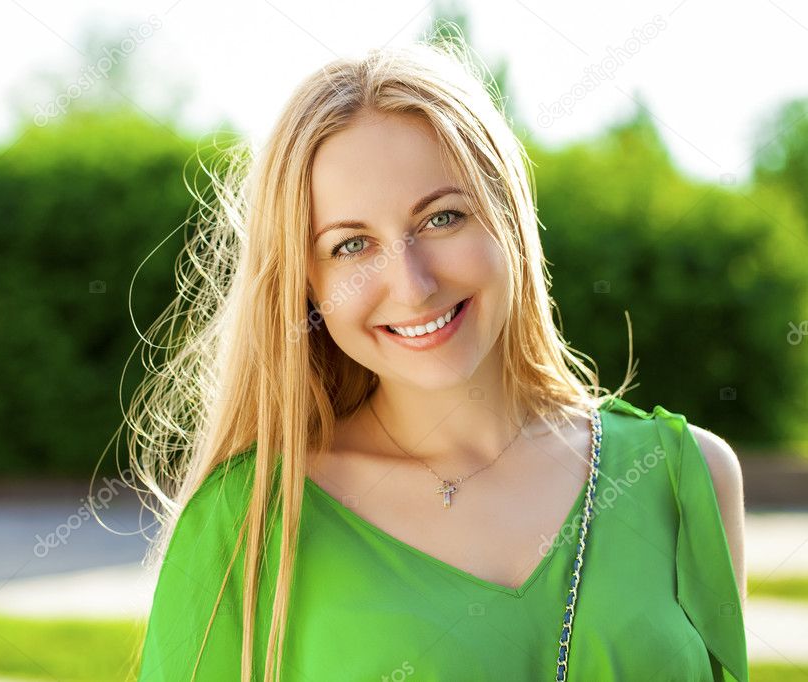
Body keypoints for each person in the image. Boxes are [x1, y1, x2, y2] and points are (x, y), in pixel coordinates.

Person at [125, 33, 748, 682]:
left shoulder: (684, 475)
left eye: (441, 219)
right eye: (350, 245)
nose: (413, 284)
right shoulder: (248, 521)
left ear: (507, 215)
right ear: (303, 284)